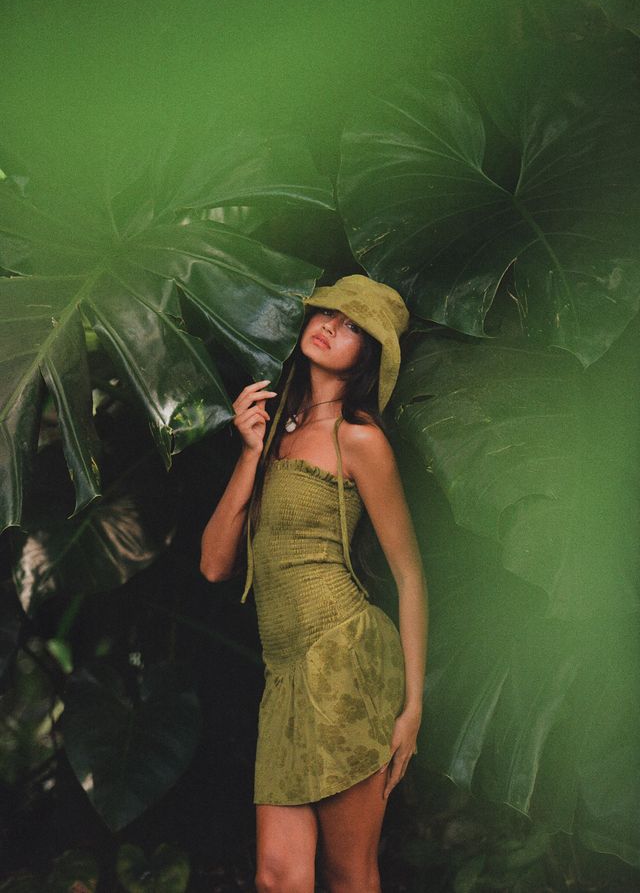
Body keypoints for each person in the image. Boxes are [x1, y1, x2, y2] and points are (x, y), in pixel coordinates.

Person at [200, 274, 428, 893]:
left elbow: (409, 575)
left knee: (348, 873)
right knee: (278, 878)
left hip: (344, 657)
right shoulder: (272, 433)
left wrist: (412, 706)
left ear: (368, 357)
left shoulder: (359, 440)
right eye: (328, 312)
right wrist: (249, 452)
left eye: (353, 327)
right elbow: (214, 564)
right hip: (284, 674)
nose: (331, 326)